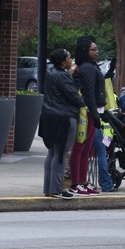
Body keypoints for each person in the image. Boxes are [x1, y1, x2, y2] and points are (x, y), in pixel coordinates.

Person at [38, 48, 85, 200]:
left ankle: (49, 188)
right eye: (69, 57)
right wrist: (84, 102)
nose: (71, 60)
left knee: (52, 152)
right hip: (63, 117)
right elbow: (73, 96)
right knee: (60, 154)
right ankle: (57, 189)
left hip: (49, 116)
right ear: (63, 61)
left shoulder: (51, 73)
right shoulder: (63, 76)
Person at [69, 36, 110, 195]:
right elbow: (89, 94)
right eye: (94, 49)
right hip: (88, 112)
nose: (97, 52)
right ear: (86, 51)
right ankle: (76, 184)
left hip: (94, 110)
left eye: (96, 49)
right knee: (80, 147)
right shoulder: (87, 68)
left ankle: (83, 182)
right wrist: (96, 115)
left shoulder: (90, 67)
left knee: (87, 148)